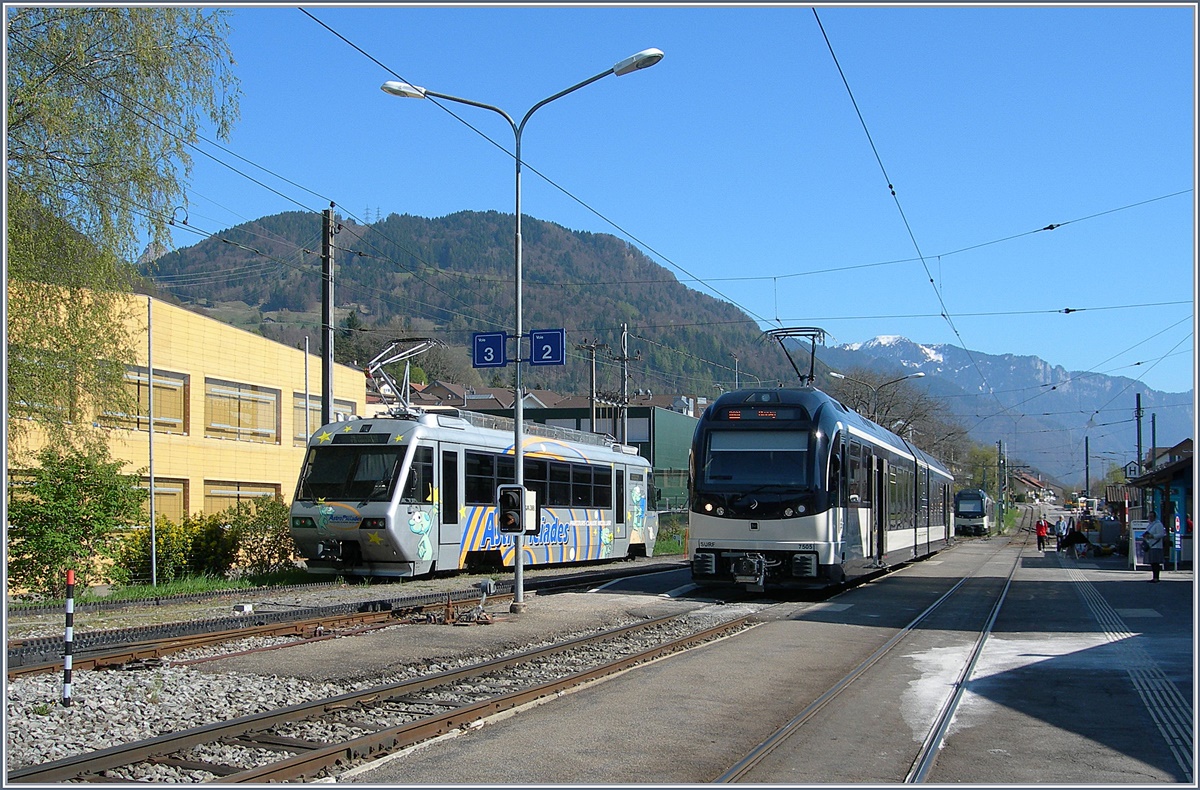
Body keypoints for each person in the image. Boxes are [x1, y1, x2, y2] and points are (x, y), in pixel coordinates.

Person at [1143, 511, 1166, 583]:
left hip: (1156, 546)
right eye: (1149, 516)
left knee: (1156, 562)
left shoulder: (1158, 524)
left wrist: (1152, 536)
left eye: (1151, 516)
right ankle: (1154, 577)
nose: (1150, 518)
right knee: (1152, 562)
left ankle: (1156, 577)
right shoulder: (1150, 525)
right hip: (1151, 545)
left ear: (1155, 517)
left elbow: (1161, 534)